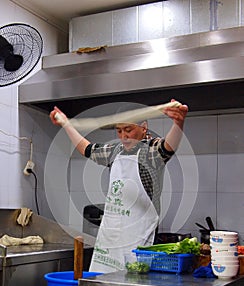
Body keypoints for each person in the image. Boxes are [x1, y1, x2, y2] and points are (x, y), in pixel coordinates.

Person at [49, 99, 188, 273]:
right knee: (103, 283)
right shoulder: (115, 151)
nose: (123, 136)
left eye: (128, 130)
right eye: (119, 131)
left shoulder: (151, 152)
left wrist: (178, 123)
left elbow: (168, 146)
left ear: (143, 128)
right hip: (110, 236)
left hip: (137, 236)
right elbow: (87, 148)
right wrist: (66, 124)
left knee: (132, 283)